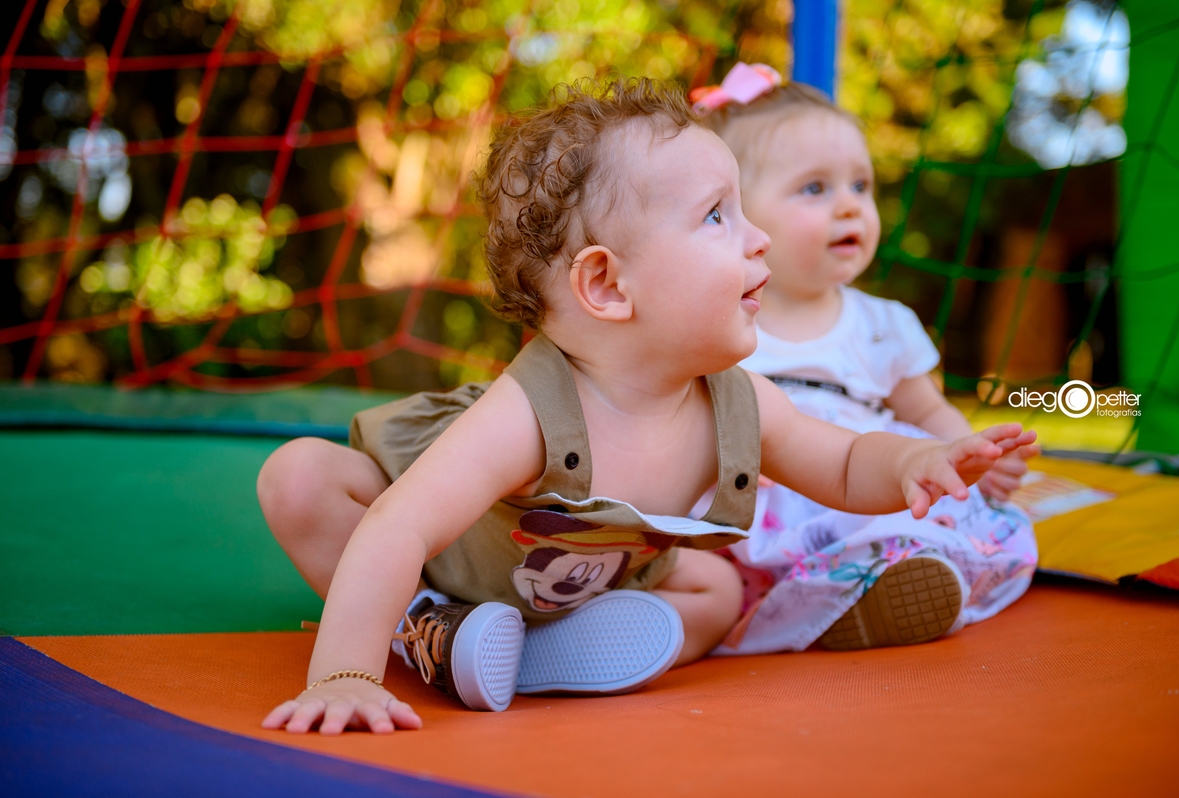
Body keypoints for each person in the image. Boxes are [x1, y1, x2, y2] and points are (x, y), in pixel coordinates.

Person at [256, 76, 1036, 735]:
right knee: (300, 479)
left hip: (591, 588)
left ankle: (540, 656)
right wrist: (344, 674)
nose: (758, 239)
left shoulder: (734, 400)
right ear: (607, 285)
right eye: (717, 215)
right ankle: (422, 628)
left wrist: (915, 459)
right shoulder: (530, 410)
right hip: (448, 569)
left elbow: (839, 461)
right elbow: (402, 523)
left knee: (717, 589)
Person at [694, 64, 1041, 655]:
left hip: (863, 484)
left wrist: (967, 460)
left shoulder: (883, 326)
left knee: (912, 521)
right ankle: (802, 606)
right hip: (760, 502)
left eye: (861, 186)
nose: (851, 207)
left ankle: (875, 590)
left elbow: (927, 412)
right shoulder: (715, 323)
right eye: (815, 188)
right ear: (737, 215)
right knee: (707, 565)